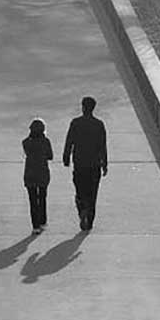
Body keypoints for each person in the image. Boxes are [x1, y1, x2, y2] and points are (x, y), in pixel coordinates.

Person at [63, 96, 108, 231]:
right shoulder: (99, 124)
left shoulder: (75, 123)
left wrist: (66, 157)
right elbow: (102, 146)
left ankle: (82, 208)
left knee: (80, 191)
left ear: (83, 107)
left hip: (80, 164)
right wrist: (104, 164)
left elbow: (69, 141)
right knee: (93, 193)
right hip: (94, 165)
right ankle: (89, 220)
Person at [22, 118, 53, 234]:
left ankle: (35, 225)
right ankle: (42, 221)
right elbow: (50, 156)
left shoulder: (26, 142)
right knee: (42, 198)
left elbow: (27, 151)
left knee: (33, 200)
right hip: (42, 174)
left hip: (30, 174)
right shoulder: (46, 142)